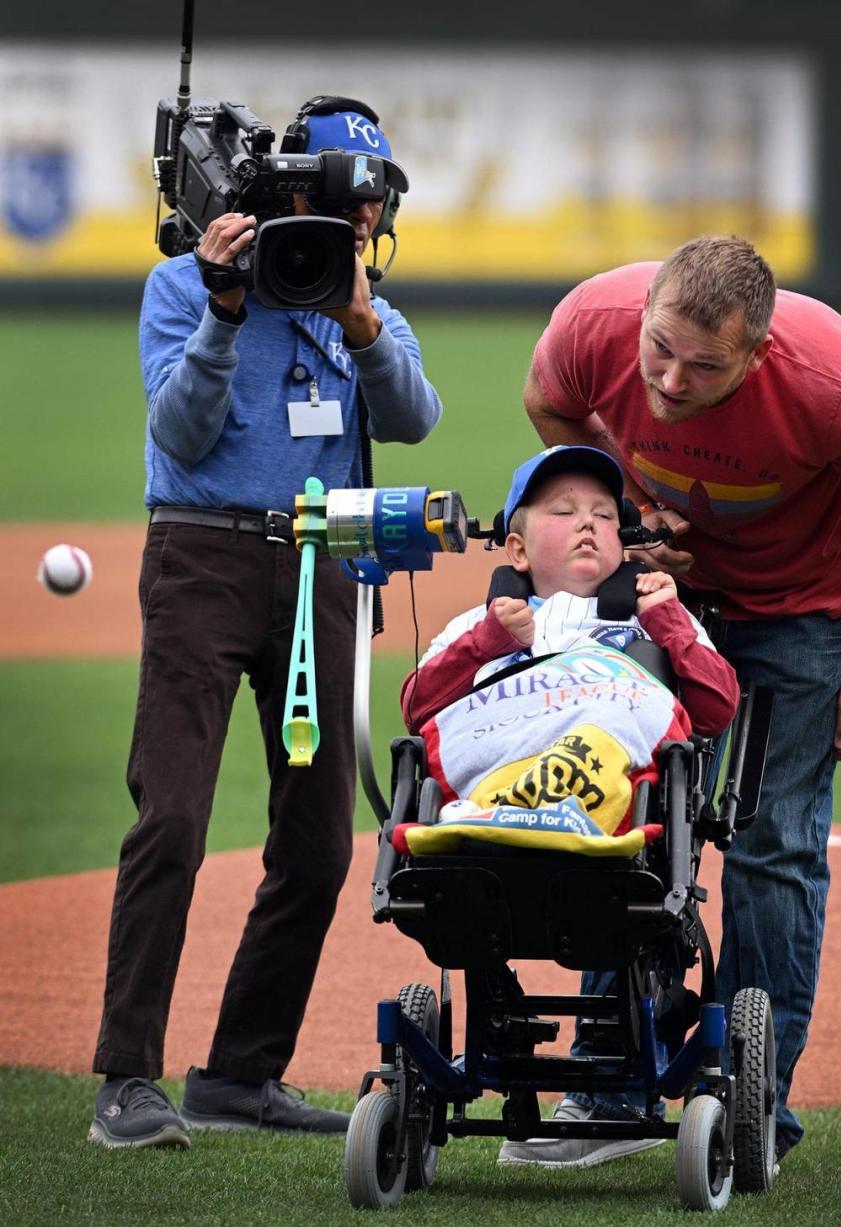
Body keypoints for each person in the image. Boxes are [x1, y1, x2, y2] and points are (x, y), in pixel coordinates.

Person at [508, 235, 841, 1166]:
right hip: (663, 593)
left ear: (760, 352)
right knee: (621, 810)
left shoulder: (834, 384)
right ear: (643, 314)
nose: (668, 380)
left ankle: (751, 1106)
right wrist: (625, 518)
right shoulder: (591, 322)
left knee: (770, 844)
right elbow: (549, 400)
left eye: (705, 365)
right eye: (659, 347)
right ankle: (610, 1086)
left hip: (806, 608)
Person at [89, 99, 442, 1148]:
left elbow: (413, 417)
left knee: (320, 843)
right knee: (173, 818)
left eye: (373, 202)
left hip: (322, 565)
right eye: (353, 197)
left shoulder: (366, 302)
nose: (366, 218)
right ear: (296, 192)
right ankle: (125, 1082)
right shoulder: (181, 286)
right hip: (201, 557)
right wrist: (225, 308)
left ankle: (241, 1075)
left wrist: (365, 327)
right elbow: (182, 434)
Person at [401, 444, 739, 839]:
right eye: (564, 512)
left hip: (608, 772)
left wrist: (666, 619)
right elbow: (416, 708)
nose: (588, 524)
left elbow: (718, 709)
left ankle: (530, 809)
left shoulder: (656, 615)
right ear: (518, 549)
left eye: (604, 514)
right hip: (498, 753)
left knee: (612, 712)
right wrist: (486, 643)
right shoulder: (477, 624)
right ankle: (508, 806)